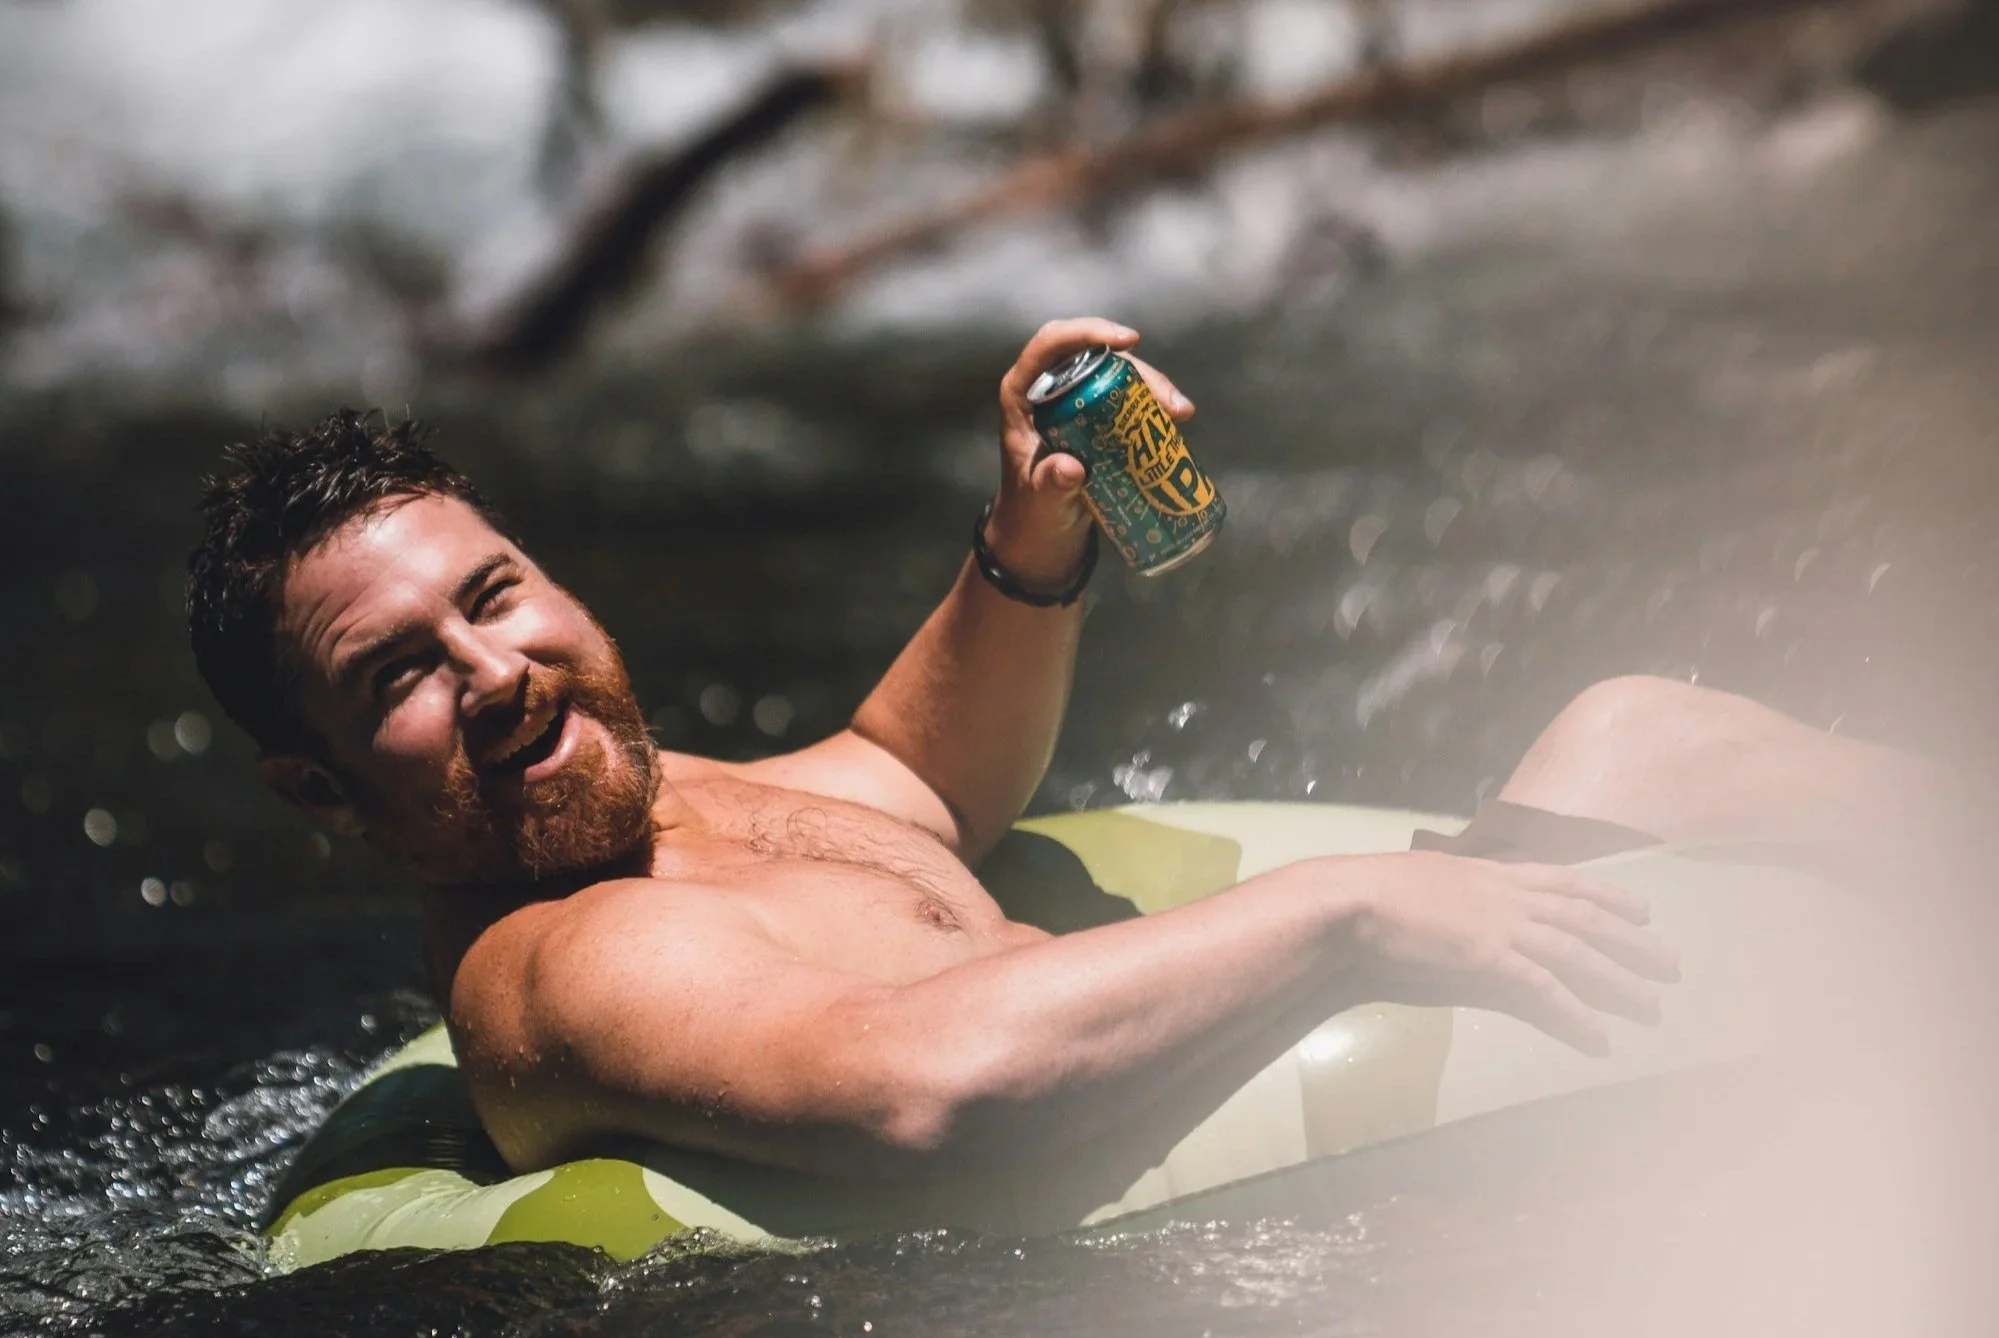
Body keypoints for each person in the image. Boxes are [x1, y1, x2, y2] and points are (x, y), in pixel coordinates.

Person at [187, 318, 1943, 1182]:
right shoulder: (562, 964)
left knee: (1645, 727)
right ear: (318, 784)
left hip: (1279, 1036)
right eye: (399, 673)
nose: (494, 668)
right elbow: (917, 1087)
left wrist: (1029, 546)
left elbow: (908, 782)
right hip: (1250, 1146)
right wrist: (1343, 914)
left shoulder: (656, 810)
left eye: (496, 593)